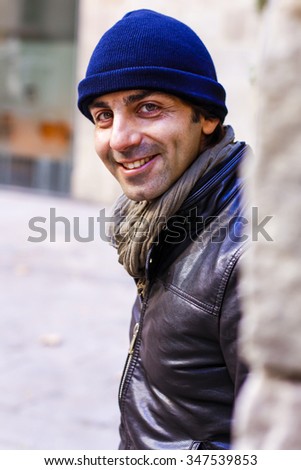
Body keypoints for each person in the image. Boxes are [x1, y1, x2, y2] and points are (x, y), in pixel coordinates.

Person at [78, 9, 250, 450]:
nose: (119, 139)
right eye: (103, 115)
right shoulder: (165, 223)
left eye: (148, 108)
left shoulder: (249, 257)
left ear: (206, 116)